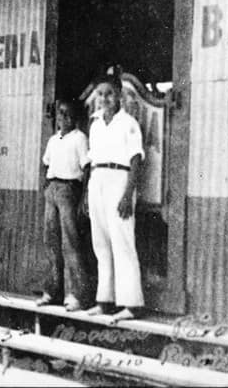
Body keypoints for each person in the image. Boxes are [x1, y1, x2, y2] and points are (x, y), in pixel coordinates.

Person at [86, 72, 145, 324]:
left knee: (122, 242)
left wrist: (127, 194)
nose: (104, 98)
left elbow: (135, 160)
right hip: (97, 179)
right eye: (100, 94)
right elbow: (91, 161)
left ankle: (131, 304)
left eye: (109, 93)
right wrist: (87, 195)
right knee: (101, 243)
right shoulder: (95, 124)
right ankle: (104, 300)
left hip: (119, 181)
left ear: (119, 95)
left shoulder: (128, 123)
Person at [35, 99, 91, 312]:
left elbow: (86, 167)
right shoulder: (53, 140)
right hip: (53, 189)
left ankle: (75, 294)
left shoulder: (79, 138)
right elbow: (46, 163)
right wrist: (46, 184)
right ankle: (52, 291)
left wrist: (84, 196)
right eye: (61, 114)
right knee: (51, 241)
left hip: (70, 189)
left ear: (75, 118)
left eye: (68, 115)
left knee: (71, 242)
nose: (63, 118)